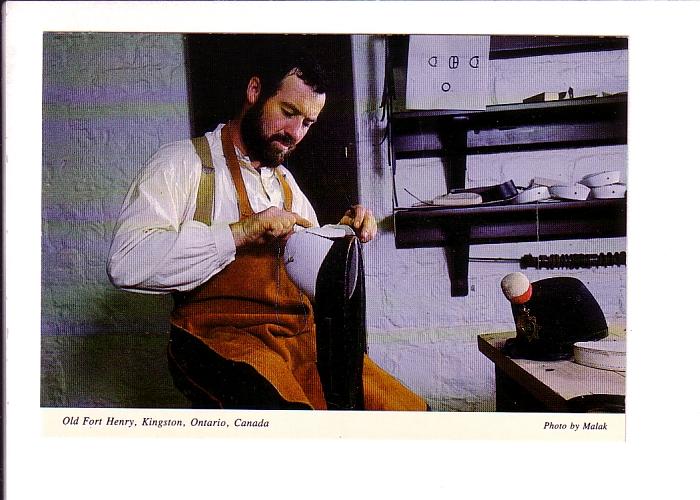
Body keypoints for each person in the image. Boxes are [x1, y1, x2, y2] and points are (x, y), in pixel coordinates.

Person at [107, 48, 427, 411]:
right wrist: (241, 232)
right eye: (288, 113)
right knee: (295, 424)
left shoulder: (287, 184)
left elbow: (307, 271)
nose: (294, 133)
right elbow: (126, 264)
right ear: (255, 91)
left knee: (409, 415)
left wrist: (340, 238)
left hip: (296, 339)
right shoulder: (183, 163)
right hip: (221, 338)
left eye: (307, 123)